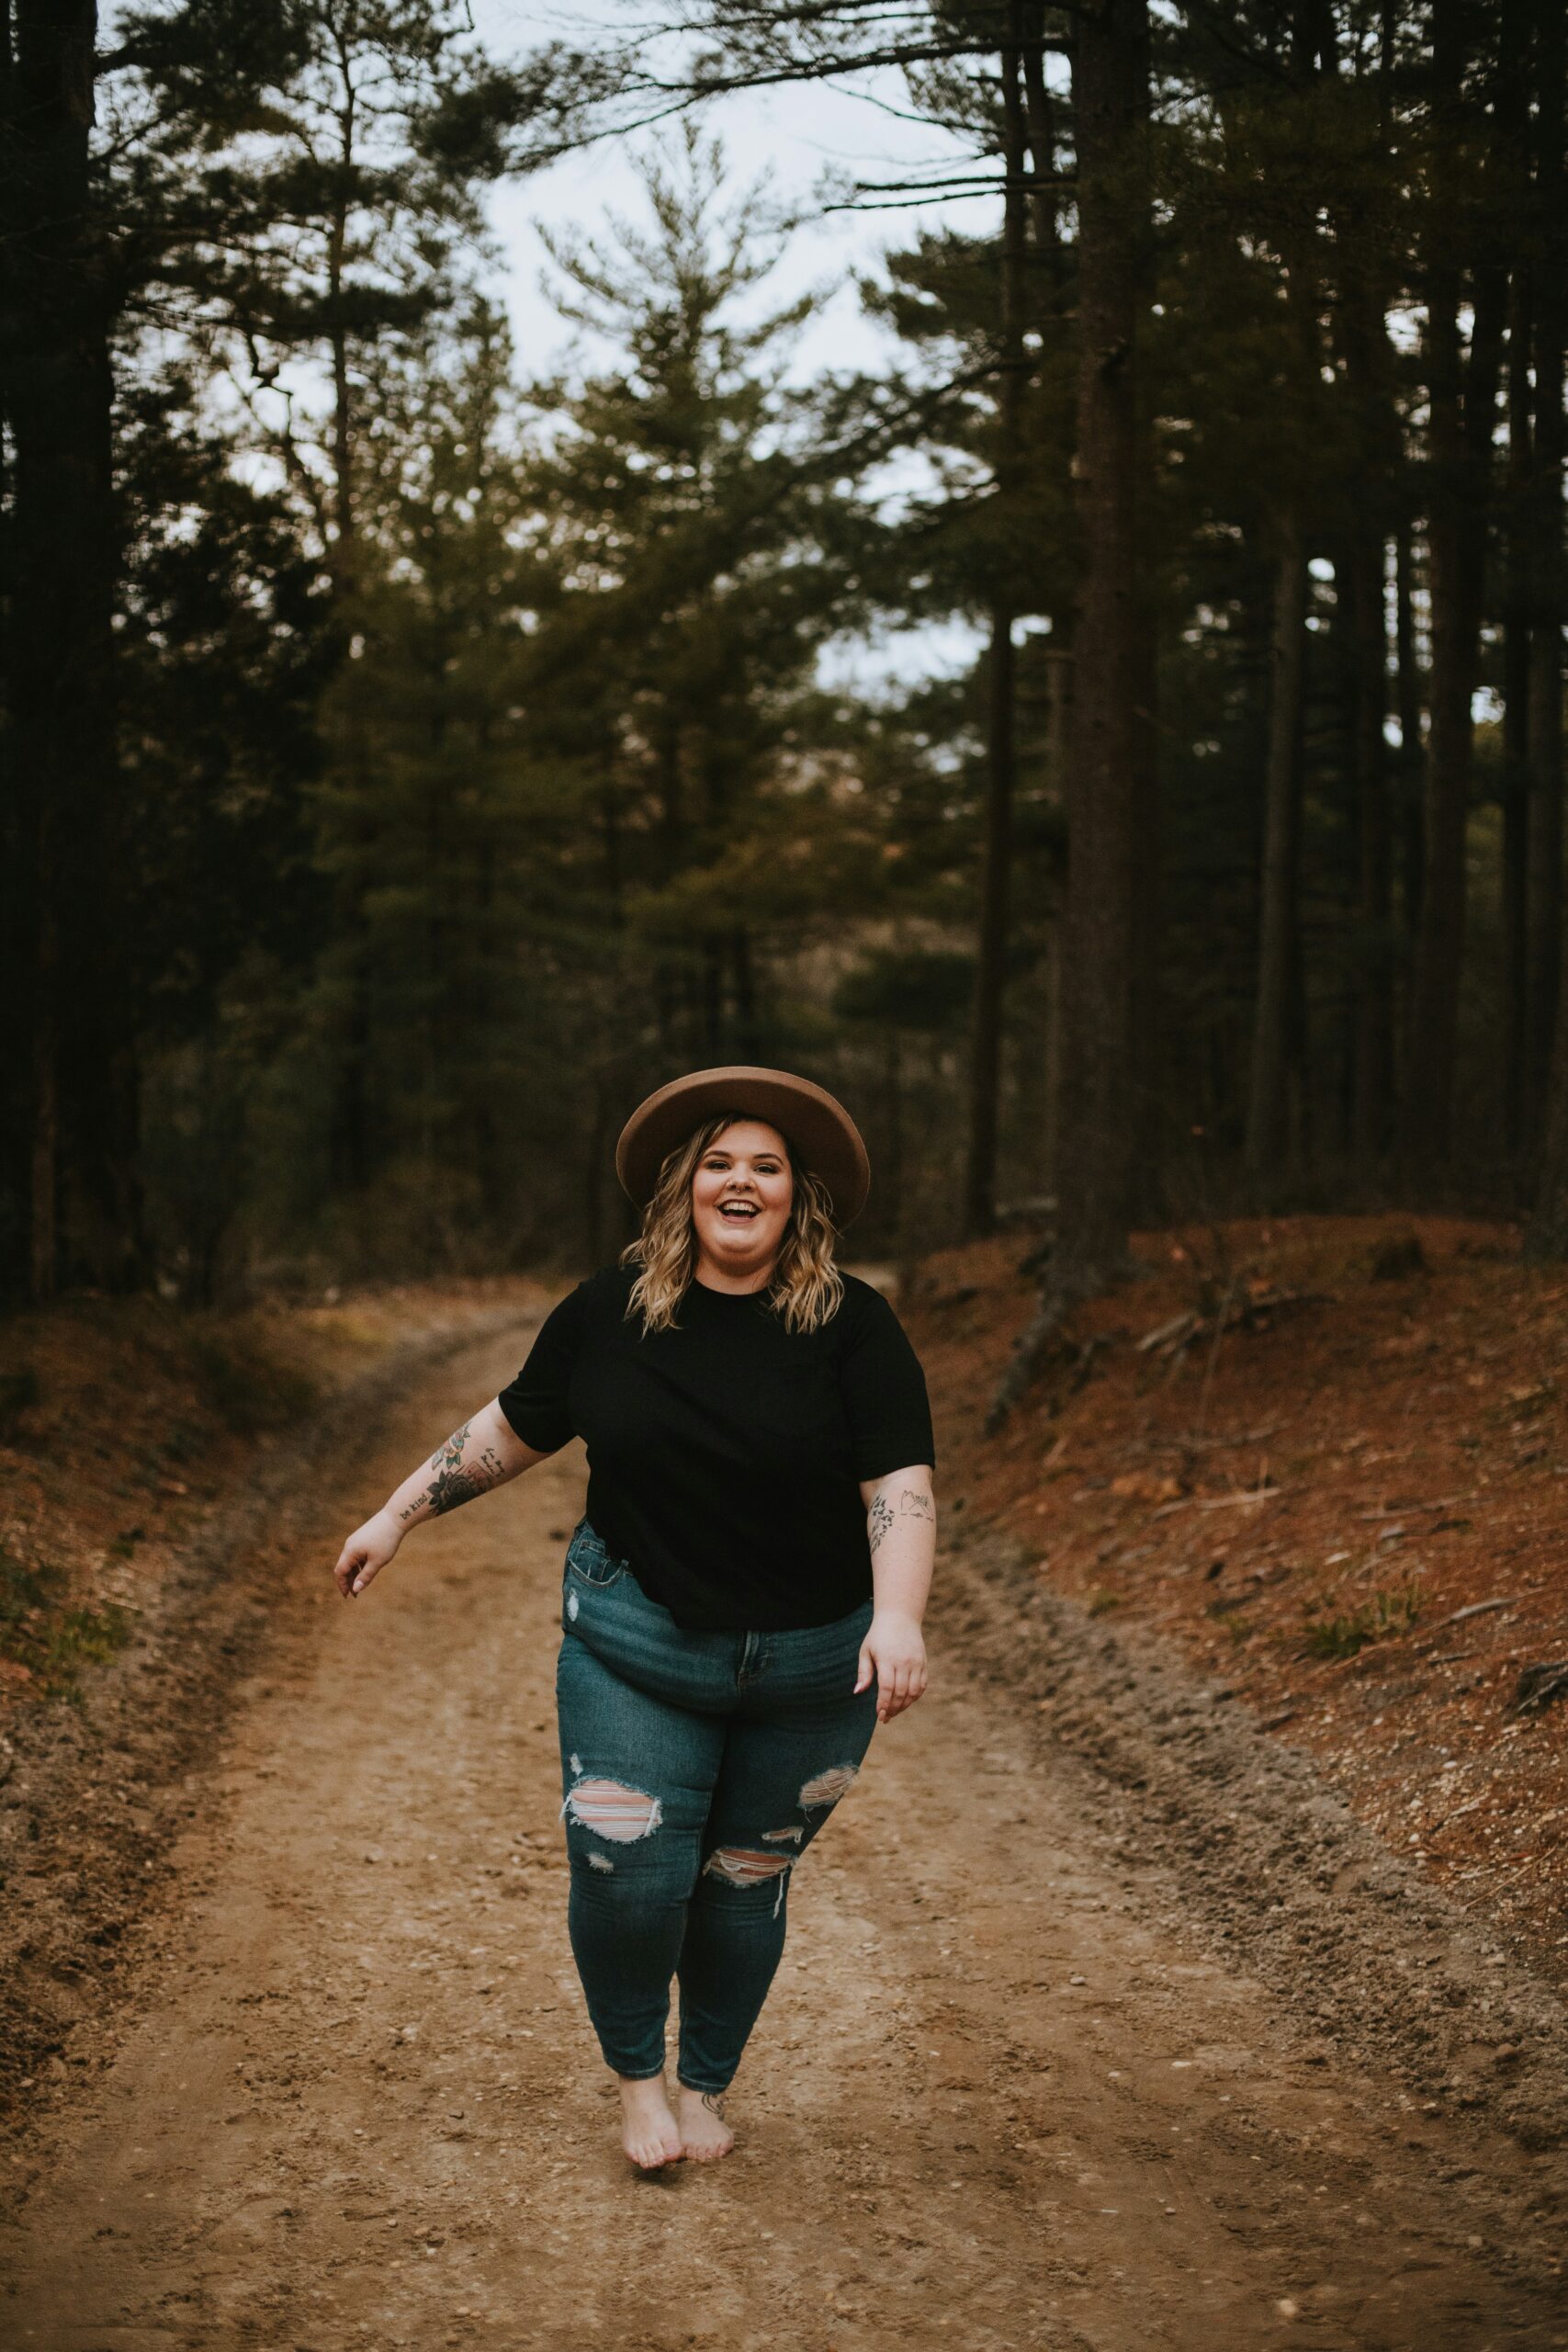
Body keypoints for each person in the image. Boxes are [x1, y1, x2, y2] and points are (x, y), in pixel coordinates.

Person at [332, 1066, 937, 2171]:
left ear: (799, 1196)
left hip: (811, 1671)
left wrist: (897, 1618)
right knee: (629, 1875)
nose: (741, 1181)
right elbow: (515, 1426)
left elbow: (899, 1485)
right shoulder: (610, 1311)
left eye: (767, 1165)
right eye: (720, 1162)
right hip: (637, 1646)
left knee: (745, 1883)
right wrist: (396, 1513)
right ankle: (638, 2085)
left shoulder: (855, 1325)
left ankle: (703, 2081)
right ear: (684, 1185)